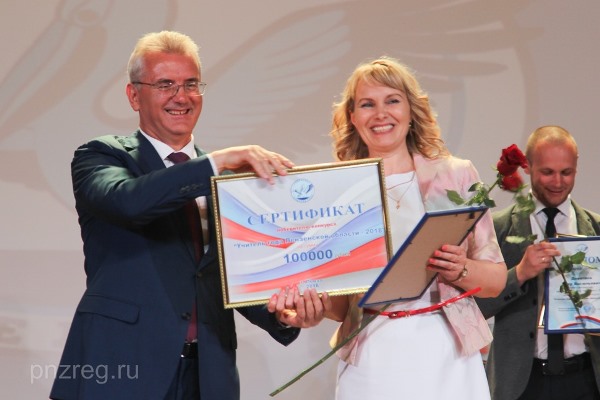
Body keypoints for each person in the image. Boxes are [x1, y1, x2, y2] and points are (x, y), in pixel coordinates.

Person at [49, 30, 329, 400]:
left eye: (191, 84)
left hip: (207, 376)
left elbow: (231, 275)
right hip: (121, 368)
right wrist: (214, 164)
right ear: (134, 96)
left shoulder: (228, 179)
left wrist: (282, 314)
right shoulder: (101, 156)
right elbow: (128, 202)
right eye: (165, 84)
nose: (181, 96)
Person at [324, 56, 507, 399]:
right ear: (352, 116)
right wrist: (311, 300)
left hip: (447, 354)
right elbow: (338, 307)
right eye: (367, 104)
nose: (381, 114)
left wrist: (461, 269)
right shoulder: (338, 189)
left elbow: (496, 280)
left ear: (411, 109)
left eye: (392, 101)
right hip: (371, 357)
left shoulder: (456, 175)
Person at [476, 126, 600, 400]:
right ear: (528, 167)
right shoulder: (497, 229)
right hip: (521, 383)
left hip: (585, 379)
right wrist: (519, 274)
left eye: (566, 172)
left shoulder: (595, 229)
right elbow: (475, 309)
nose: (557, 182)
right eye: (547, 172)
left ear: (577, 168)